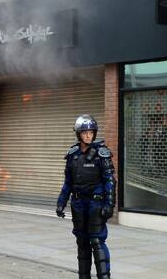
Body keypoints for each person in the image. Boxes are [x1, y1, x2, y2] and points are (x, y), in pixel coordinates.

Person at [56, 114, 116, 279]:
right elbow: (68, 182)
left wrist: (110, 204)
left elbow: (110, 181)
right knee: (82, 243)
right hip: (78, 203)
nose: (88, 135)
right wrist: (61, 202)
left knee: (96, 241)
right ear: (78, 134)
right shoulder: (72, 154)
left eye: (91, 132)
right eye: (85, 132)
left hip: (95, 204)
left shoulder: (102, 154)